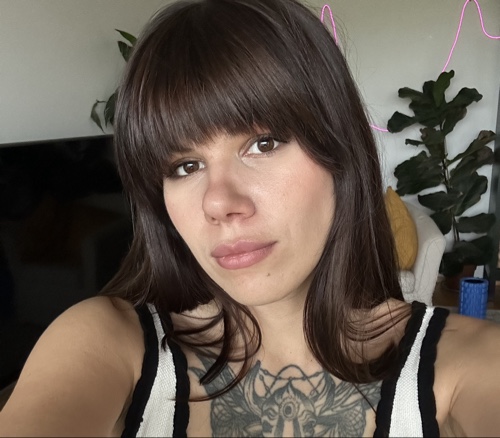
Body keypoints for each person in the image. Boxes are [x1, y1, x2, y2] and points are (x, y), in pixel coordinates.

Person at [1, 0, 500, 436]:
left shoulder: (468, 364)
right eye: (185, 166)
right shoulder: (106, 343)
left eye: (263, 143)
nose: (218, 202)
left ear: (340, 153)